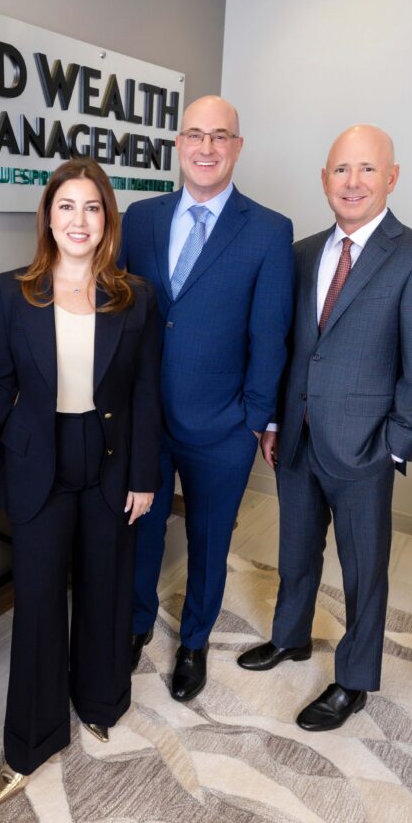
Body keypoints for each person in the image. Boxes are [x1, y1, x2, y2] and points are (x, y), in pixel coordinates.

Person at [0, 158, 161, 803]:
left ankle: (100, 704)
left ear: (106, 219)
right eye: (66, 207)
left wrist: (144, 475)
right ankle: (31, 742)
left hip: (109, 458)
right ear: (48, 218)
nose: (79, 220)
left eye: (92, 208)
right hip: (38, 460)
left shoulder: (133, 295)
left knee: (106, 592)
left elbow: (143, 392)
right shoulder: (10, 289)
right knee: (41, 602)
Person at [238, 125, 412, 731]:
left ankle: (354, 680)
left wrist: (394, 447)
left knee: (363, 571)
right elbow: (289, 346)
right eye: (341, 170)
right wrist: (277, 420)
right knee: (296, 552)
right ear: (324, 179)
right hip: (298, 439)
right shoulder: (302, 252)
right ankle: (291, 638)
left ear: (392, 177)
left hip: (366, 450)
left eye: (366, 169)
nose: (352, 182)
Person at [120, 95, 294, 701]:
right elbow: (121, 315)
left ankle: (193, 640)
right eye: (195, 135)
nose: (206, 147)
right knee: (139, 530)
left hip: (222, 426)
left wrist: (254, 418)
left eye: (220, 136)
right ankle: (138, 623)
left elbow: (269, 332)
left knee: (208, 541)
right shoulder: (139, 218)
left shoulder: (269, 230)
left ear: (237, 147)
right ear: (178, 144)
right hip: (144, 418)